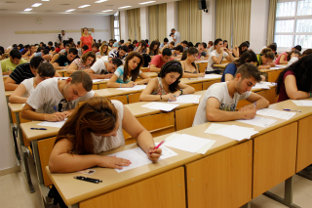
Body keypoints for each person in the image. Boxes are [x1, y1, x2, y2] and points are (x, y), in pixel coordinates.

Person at [48, 97, 161, 173]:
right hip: (95, 173)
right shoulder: (76, 128)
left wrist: (149, 148)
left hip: (119, 170)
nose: (115, 134)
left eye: (117, 129)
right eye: (108, 134)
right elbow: (54, 163)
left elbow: (140, 132)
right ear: (91, 130)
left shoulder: (116, 108)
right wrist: (99, 160)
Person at [193, 63, 269, 126]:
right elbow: (211, 114)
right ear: (238, 77)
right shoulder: (217, 89)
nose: (249, 89)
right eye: (248, 84)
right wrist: (242, 114)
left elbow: (264, 101)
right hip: (201, 133)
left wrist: (252, 106)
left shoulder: (240, 91)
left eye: (252, 86)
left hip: (218, 129)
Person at [21, 71, 95, 122]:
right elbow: (24, 113)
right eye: (74, 92)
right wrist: (47, 117)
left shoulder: (82, 90)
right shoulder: (45, 86)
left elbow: (100, 103)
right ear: (68, 81)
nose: (75, 98)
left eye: (79, 96)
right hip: (44, 131)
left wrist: (73, 111)